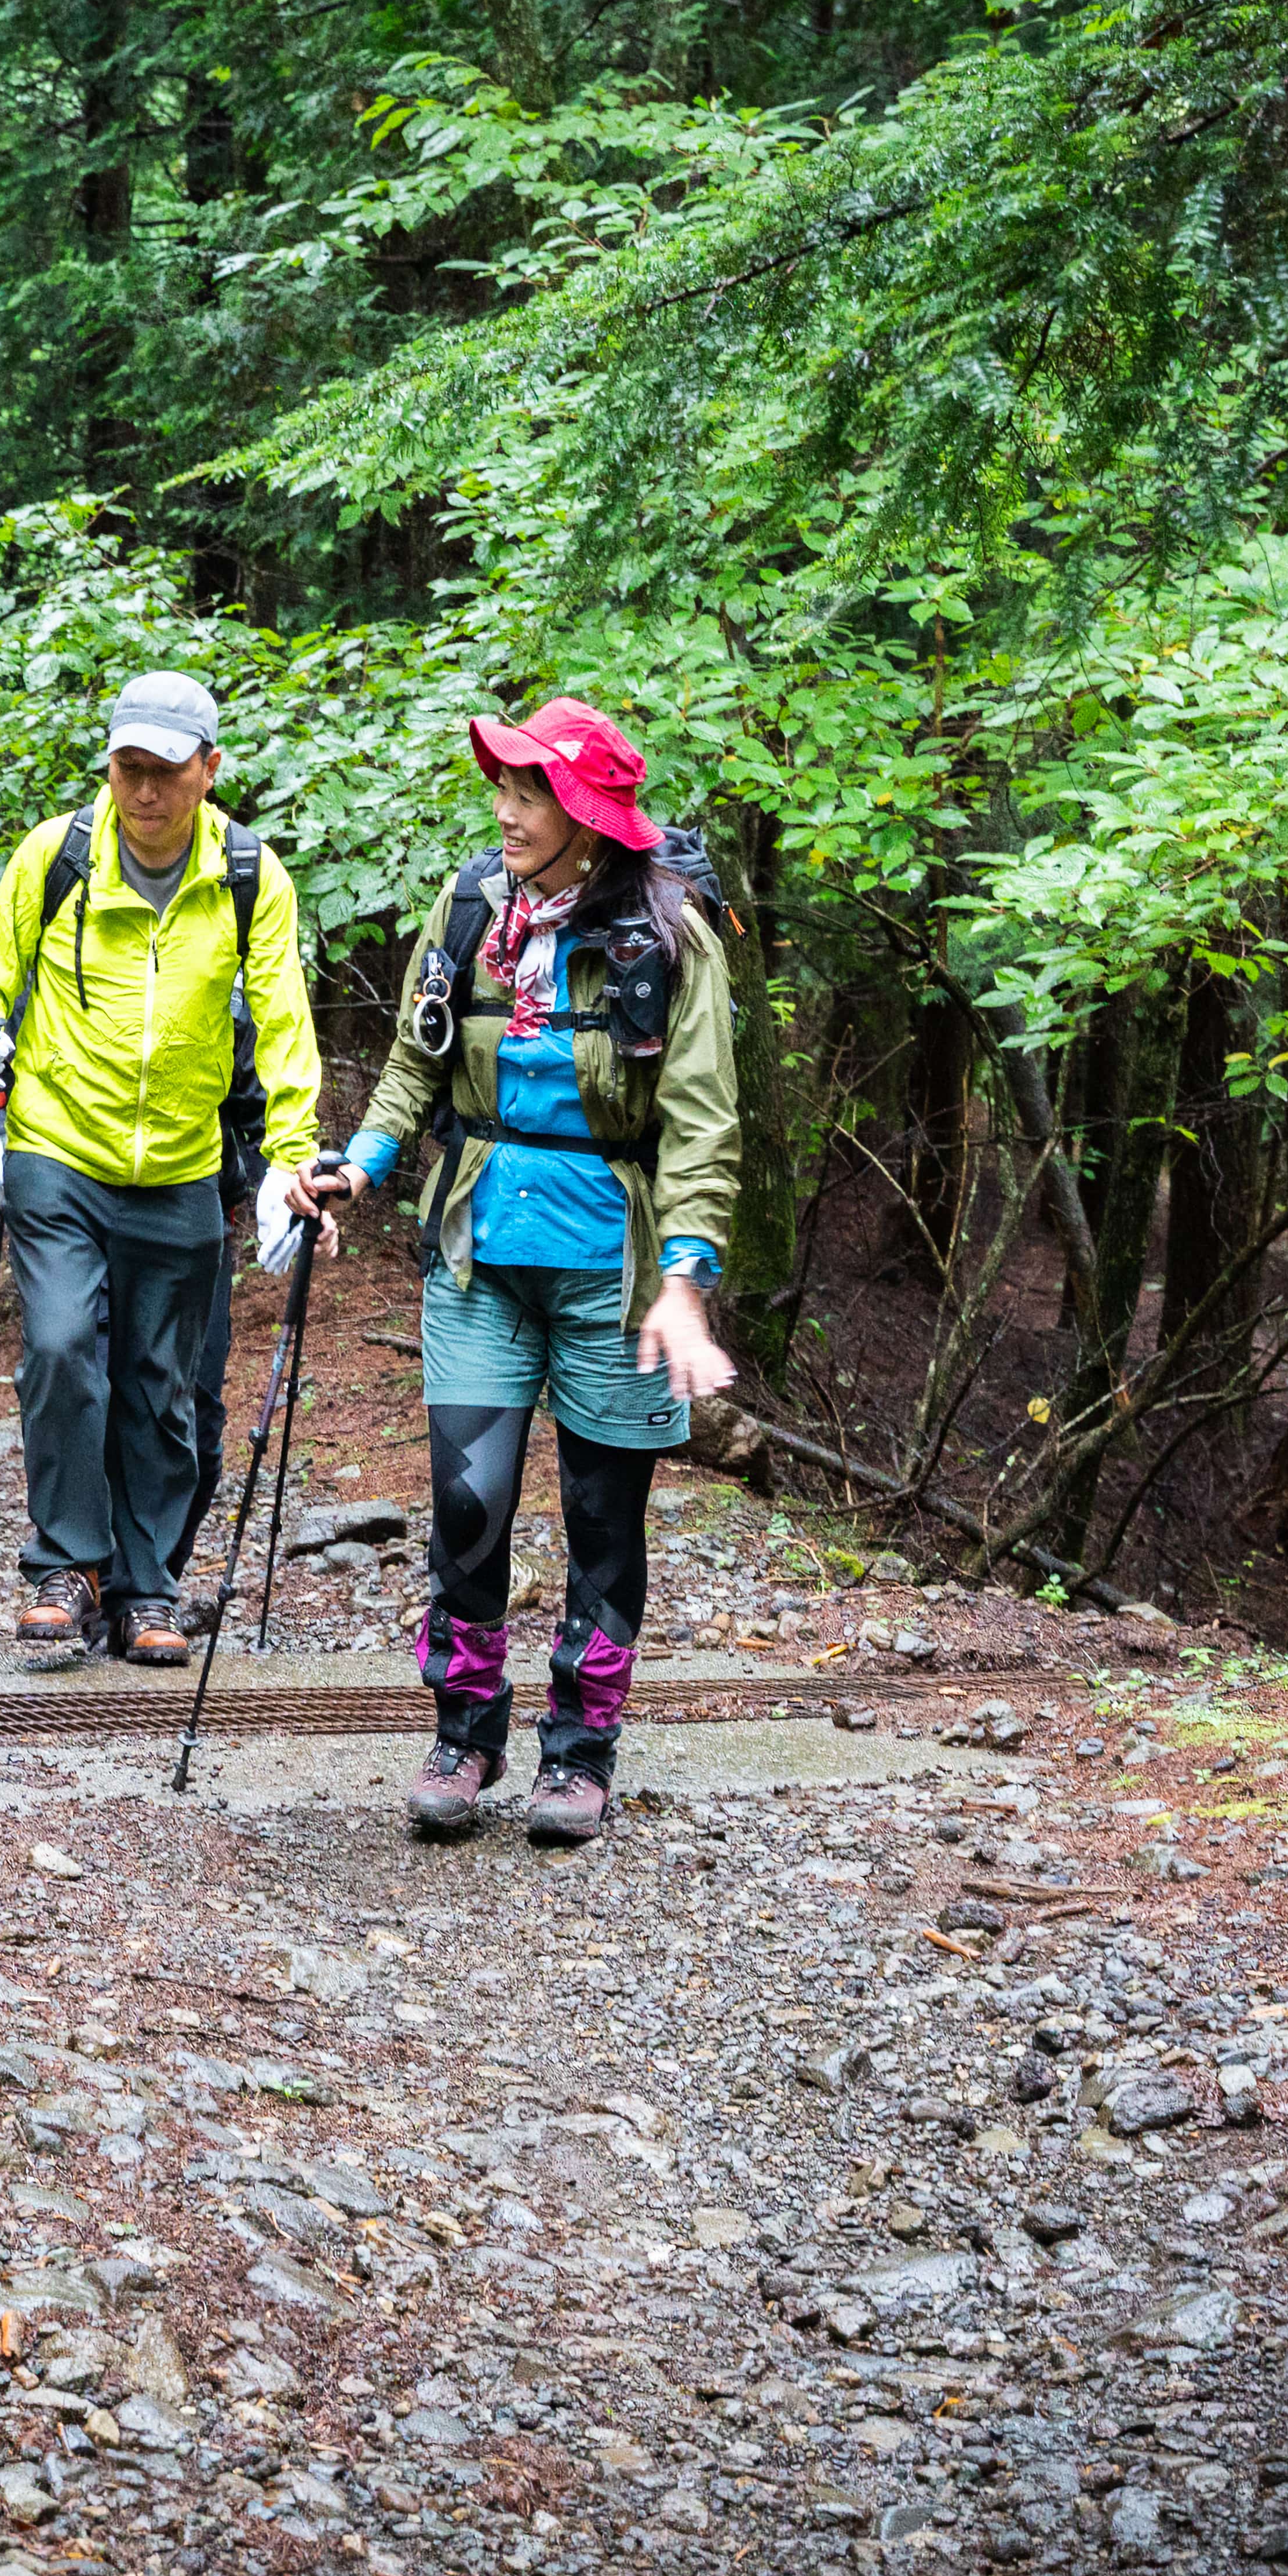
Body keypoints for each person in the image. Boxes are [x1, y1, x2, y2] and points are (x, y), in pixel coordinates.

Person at [340, 697, 742, 1847]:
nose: (507, 812)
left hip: (612, 1268)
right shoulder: (470, 908)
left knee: (601, 1521)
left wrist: (685, 1277)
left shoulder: (669, 939)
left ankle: (579, 1755)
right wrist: (361, 1166)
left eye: (532, 793)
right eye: (505, 789)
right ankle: (464, 1736)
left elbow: (704, 1124)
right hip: (475, 1252)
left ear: (585, 816)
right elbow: (414, 1069)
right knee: (467, 1506)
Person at [0, 671, 339, 1669]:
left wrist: (287, 1163)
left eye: (165, 772)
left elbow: (286, 1028)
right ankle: (63, 1567)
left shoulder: (251, 875)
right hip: (58, 1146)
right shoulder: (58, 855)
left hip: (181, 1163)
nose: (144, 792)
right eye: (127, 769)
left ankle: (146, 1585)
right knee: (66, 1344)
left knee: (164, 1386)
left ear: (210, 770)